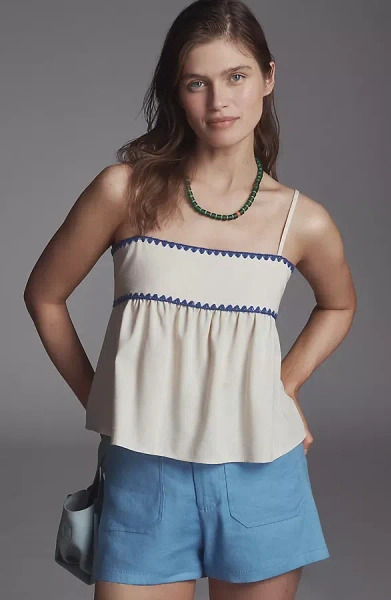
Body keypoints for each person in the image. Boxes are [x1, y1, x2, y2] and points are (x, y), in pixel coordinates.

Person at [23, 0, 357, 598]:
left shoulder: (301, 220)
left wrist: (285, 385)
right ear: (176, 93)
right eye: (196, 82)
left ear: (268, 78)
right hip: (144, 474)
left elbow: (339, 305)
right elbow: (45, 295)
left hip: (262, 473)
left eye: (237, 76)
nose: (219, 100)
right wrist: (104, 398)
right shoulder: (124, 191)